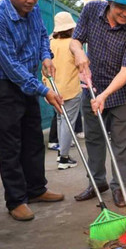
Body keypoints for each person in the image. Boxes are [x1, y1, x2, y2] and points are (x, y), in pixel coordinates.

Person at [0, 0, 64, 221]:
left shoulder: (34, 9)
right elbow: (11, 66)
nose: (30, 1)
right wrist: (44, 91)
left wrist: (46, 56)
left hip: (26, 83)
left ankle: (36, 189)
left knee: (32, 139)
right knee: (10, 146)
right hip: (2, 86)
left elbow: (41, 35)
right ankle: (16, 200)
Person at [70, 0, 126, 208]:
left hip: (121, 93)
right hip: (91, 88)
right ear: (110, 2)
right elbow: (75, 40)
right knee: (94, 139)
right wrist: (78, 53)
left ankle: (119, 188)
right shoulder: (92, 10)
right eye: (121, 7)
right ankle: (97, 182)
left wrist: (105, 96)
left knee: (121, 143)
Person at [42, 11, 80, 170]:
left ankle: (60, 152)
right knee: (67, 122)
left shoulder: (49, 43)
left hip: (52, 90)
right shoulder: (73, 44)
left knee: (59, 119)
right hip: (71, 89)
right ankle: (64, 158)